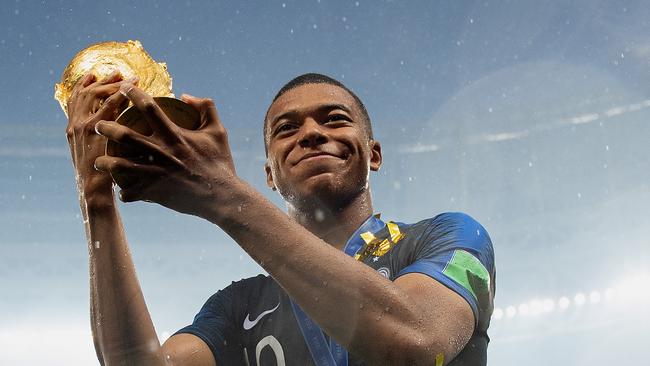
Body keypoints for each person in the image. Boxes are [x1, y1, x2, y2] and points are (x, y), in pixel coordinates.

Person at [65, 71, 495, 365]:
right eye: (286, 129)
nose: (311, 133)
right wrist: (96, 202)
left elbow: (418, 344)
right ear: (269, 175)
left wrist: (224, 195)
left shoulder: (448, 236)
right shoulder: (238, 307)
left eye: (335, 120)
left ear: (374, 154)